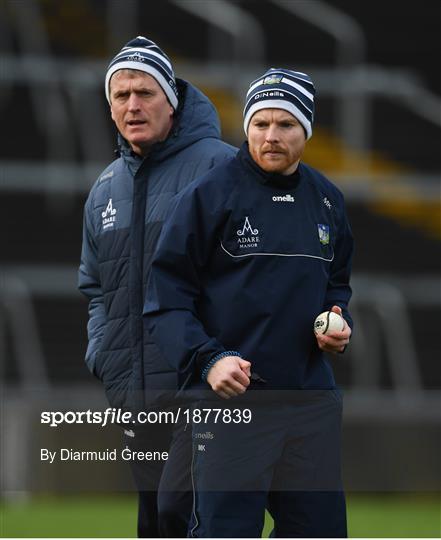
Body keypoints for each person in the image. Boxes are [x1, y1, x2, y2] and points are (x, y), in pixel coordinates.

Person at [144, 67, 354, 537]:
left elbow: (336, 285)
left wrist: (339, 321)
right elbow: (165, 301)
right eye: (260, 124)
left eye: (285, 125)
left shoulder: (328, 201)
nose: (271, 136)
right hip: (229, 406)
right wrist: (210, 360)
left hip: (308, 405)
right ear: (246, 126)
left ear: (307, 130)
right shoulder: (208, 196)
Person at [78, 36, 236, 538]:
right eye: (120, 96)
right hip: (133, 391)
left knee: (185, 515)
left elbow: (250, 275)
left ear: (172, 100)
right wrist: (103, 352)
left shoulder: (222, 168)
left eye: (144, 92)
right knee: (155, 524)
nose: (132, 105)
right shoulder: (105, 187)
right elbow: (96, 288)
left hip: (200, 387)